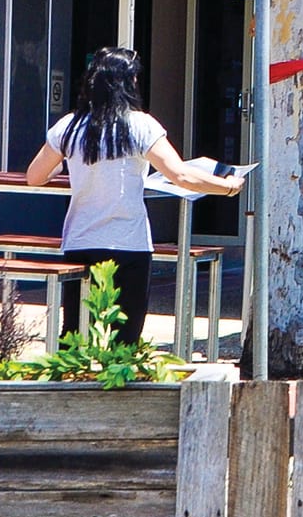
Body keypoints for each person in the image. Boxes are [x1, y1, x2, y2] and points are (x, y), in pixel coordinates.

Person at [25, 47, 243, 344]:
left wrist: (67, 169)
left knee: (76, 334)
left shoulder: (70, 125)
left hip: (80, 241)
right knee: (125, 339)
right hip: (129, 244)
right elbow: (180, 174)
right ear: (129, 83)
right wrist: (227, 186)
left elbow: (34, 176)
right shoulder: (140, 124)